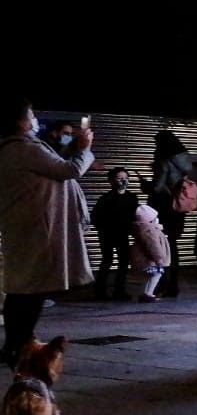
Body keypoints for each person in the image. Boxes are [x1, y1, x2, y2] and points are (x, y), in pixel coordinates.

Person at [0, 98, 94, 369]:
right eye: (31, 115)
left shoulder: (14, 149)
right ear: (21, 121)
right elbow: (70, 170)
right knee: (30, 291)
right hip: (37, 231)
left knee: (23, 290)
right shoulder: (23, 148)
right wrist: (84, 149)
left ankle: (17, 344)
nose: (35, 120)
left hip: (26, 228)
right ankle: (19, 344)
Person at [140, 130, 193, 298]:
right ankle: (173, 285)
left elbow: (157, 187)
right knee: (173, 247)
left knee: (160, 248)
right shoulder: (182, 161)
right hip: (177, 208)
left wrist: (145, 185)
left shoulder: (164, 162)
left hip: (163, 207)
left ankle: (163, 285)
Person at [90, 167, 139, 301]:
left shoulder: (132, 197)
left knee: (124, 262)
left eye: (126, 178)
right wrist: (103, 228)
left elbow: (136, 216)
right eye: (119, 178)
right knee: (107, 260)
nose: (123, 181)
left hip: (123, 234)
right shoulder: (106, 198)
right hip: (107, 234)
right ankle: (100, 292)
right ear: (111, 181)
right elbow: (95, 217)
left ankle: (119, 291)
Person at [129, 203, 171, 302]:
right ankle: (148, 293)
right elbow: (153, 246)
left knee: (152, 276)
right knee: (156, 274)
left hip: (149, 260)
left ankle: (147, 293)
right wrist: (159, 258)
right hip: (150, 260)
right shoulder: (149, 230)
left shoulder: (148, 229)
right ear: (150, 219)